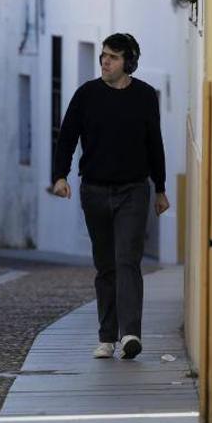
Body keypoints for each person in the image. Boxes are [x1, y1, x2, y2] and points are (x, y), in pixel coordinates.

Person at [51, 32, 169, 360]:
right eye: (103, 55)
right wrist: (59, 176)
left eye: (113, 57)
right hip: (95, 191)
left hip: (133, 190)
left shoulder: (145, 96)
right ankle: (106, 336)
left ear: (128, 62)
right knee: (105, 266)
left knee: (127, 260)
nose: (105, 61)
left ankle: (130, 333)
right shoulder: (86, 95)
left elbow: (154, 144)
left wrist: (159, 188)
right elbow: (67, 136)